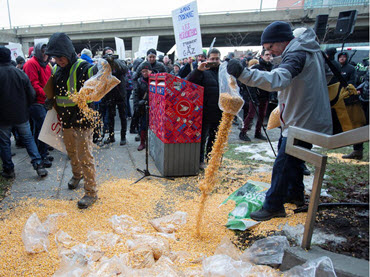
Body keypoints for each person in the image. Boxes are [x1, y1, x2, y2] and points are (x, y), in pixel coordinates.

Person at [227, 21, 332, 221]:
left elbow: (279, 80)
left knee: (283, 162)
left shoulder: (297, 52)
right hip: (304, 115)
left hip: (300, 120)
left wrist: (244, 74)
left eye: (270, 48)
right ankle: (294, 194)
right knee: (295, 160)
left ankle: (273, 205)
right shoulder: (307, 50)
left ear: (282, 41)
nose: (271, 52)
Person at [45, 32, 98, 209]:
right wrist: (50, 100)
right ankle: (77, 175)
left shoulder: (83, 67)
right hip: (66, 119)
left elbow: (97, 74)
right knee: (71, 152)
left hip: (83, 119)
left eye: (60, 57)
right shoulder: (57, 69)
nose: (58, 60)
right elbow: (56, 91)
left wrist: (111, 66)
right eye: (55, 57)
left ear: (68, 53)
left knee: (85, 156)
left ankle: (91, 192)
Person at [0, 46, 48, 179]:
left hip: (3, 116)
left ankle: (9, 169)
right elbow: (31, 93)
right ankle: (39, 165)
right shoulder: (20, 73)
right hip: (21, 114)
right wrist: (25, 106)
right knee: (28, 139)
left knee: (4, 143)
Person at [187, 48, 223, 169]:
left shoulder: (224, 72)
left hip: (220, 111)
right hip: (205, 112)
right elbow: (188, 82)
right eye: (212, 58)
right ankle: (200, 161)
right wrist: (197, 70)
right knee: (202, 138)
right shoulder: (202, 71)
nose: (214, 61)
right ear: (207, 59)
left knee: (215, 138)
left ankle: (212, 160)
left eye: (217, 58)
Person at [23, 43, 53, 168]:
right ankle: (42, 154)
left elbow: (49, 81)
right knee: (43, 129)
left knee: (39, 130)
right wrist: (47, 95)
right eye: (43, 52)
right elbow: (33, 84)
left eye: (46, 52)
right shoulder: (31, 64)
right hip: (36, 102)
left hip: (43, 101)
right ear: (38, 52)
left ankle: (42, 153)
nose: (45, 55)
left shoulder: (46, 65)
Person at [239, 50, 273, 142]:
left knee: (262, 115)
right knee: (251, 114)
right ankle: (243, 132)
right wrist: (253, 96)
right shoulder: (256, 67)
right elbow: (250, 82)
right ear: (262, 56)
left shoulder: (271, 67)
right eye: (266, 55)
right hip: (255, 95)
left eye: (270, 55)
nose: (268, 56)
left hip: (265, 95)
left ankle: (258, 132)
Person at [101, 47, 128, 145]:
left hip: (120, 94)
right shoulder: (103, 64)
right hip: (109, 94)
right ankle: (111, 136)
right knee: (111, 117)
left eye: (110, 53)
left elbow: (124, 69)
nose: (109, 55)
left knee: (122, 116)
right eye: (107, 54)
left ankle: (123, 136)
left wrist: (114, 61)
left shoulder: (119, 62)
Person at [133, 62, 152, 151]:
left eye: (146, 71)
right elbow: (136, 94)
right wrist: (138, 105)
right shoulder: (139, 81)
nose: (144, 73)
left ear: (150, 71)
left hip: (154, 107)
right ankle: (142, 142)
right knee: (143, 125)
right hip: (144, 107)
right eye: (143, 72)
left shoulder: (155, 80)